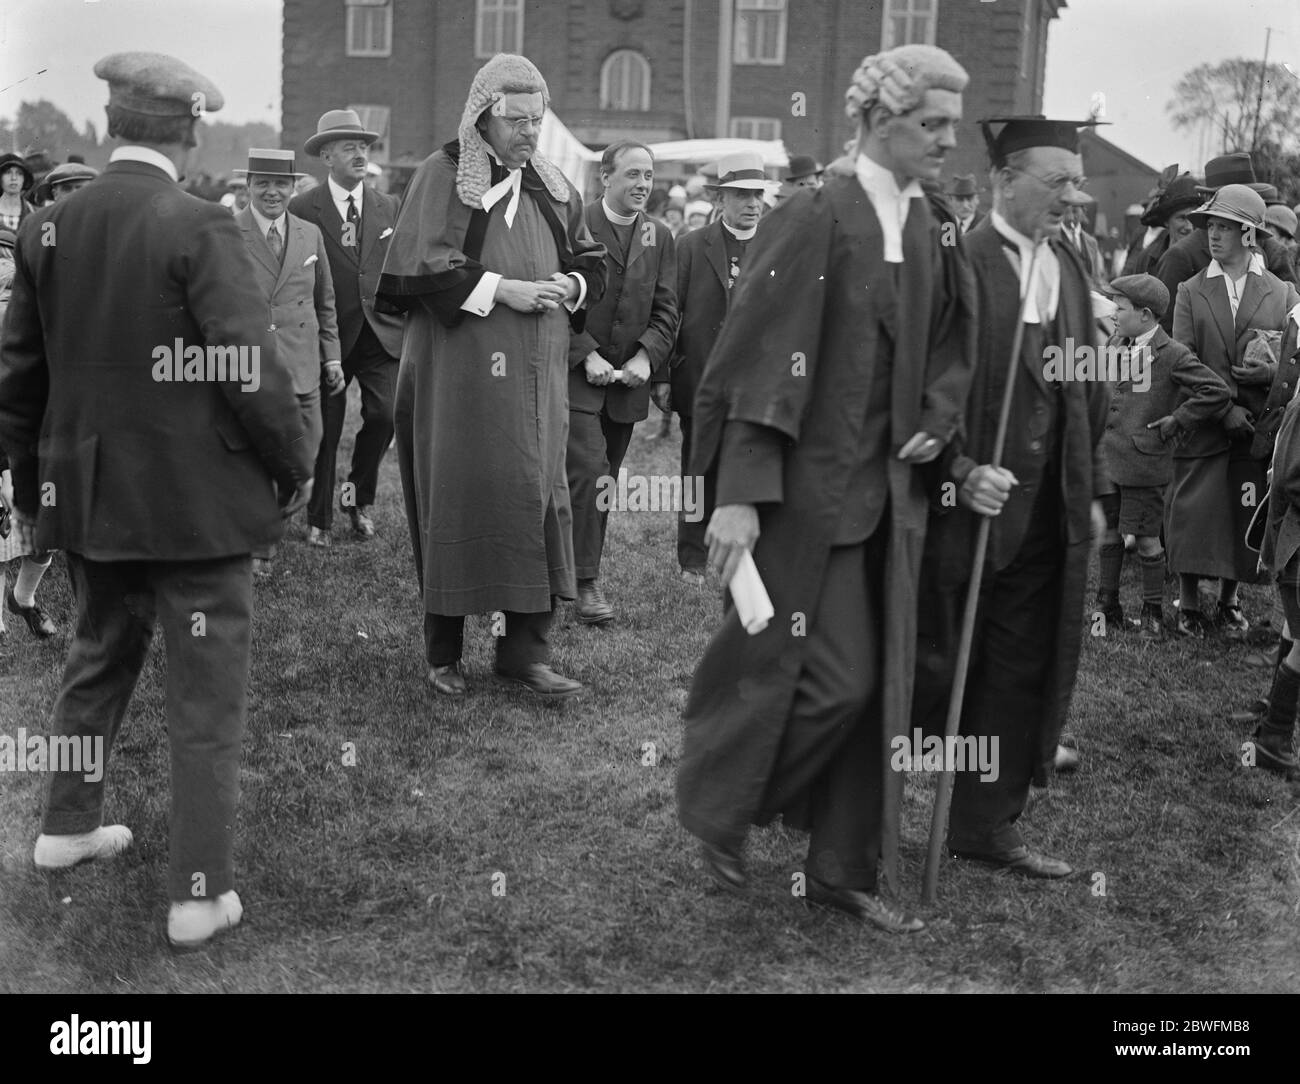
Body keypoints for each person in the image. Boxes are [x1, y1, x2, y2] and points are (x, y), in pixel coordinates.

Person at [0, 51, 314, 949]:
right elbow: (249, 368)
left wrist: (32, 497)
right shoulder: (202, 224)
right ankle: (198, 894)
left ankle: (64, 828)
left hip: (89, 500)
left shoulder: (49, 226)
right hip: (194, 509)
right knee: (205, 700)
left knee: (97, 661)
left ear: (109, 126)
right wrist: (291, 464)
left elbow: (18, 380)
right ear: (191, 131)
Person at [676, 44, 973, 932]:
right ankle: (722, 801)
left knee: (881, 687)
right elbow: (759, 358)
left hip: (898, 498)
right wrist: (738, 492)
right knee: (830, 679)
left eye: (953, 124)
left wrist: (940, 412)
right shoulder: (815, 213)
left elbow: (956, 345)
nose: (950, 141)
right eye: (935, 124)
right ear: (882, 121)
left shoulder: (930, 225)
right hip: (812, 501)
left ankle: (845, 866)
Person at [912, 116, 1112, 879]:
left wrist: (1088, 485)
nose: (1074, 197)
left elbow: (1083, 387)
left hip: (1045, 516)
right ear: (1004, 179)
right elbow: (922, 391)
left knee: (1018, 668)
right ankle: (832, 804)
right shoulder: (962, 262)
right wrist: (960, 468)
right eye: (1057, 182)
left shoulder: (1066, 265)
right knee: (930, 664)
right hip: (963, 514)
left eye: (1077, 182)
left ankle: (984, 824)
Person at [376, 52, 605, 699]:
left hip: (539, 386)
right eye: (516, 121)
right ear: (483, 118)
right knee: (461, 493)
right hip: (463, 380)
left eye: (538, 119)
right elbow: (419, 269)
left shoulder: (553, 184)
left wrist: (573, 282)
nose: (530, 132)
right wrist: (505, 290)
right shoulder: (443, 174)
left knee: (534, 497)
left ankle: (524, 654)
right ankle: (444, 651)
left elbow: (592, 259)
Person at [1167, 184, 1300, 638]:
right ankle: (1187, 603)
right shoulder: (1190, 290)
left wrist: (1266, 376)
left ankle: (1228, 600)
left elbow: (1292, 357)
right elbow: (1181, 358)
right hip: (1205, 424)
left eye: (1224, 227)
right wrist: (1222, 409)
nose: (1213, 236)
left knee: (1240, 512)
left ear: (1249, 235)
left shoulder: (1281, 293)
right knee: (1195, 511)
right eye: (1211, 227)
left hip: (1255, 430)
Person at [565, 140, 678, 625]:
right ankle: (584, 584)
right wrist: (584, 352)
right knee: (588, 471)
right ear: (605, 178)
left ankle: (569, 572)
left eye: (648, 176)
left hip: (627, 387)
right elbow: (558, 297)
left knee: (602, 480)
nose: (642, 185)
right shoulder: (575, 223)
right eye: (632, 175)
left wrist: (647, 359)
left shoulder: (660, 236)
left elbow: (668, 310)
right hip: (574, 379)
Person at [290, 109, 405, 546]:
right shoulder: (303, 207)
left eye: (363, 147)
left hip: (378, 334)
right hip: (327, 336)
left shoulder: (388, 205)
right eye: (348, 147)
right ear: (326, 156)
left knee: (385, 414)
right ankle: (318, 518)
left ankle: (355, 499)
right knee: (326, 428)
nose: (360, 154)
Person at [1093, 274, 1230, 637]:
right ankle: (1107, 607)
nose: (1114, 315)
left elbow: (1215, 391)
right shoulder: (1114, 343)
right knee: (1109, 533)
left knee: (1147, 538)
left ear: (1146, 314)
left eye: (1120, 308)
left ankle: (1152, 615)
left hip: (1144, 464)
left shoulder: (1173, 355)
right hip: (1108, 460)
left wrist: (1177, 420)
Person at [232, 148, 343, 577]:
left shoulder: (310, 235)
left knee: (304, 464)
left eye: (281, 184)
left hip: (303, 367)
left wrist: (331, 358)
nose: (272, 192)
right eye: (263, 183)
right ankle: (259, 546)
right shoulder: (227, 231)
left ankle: (266, 524)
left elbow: (326, 304)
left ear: (294, 187)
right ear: (248, 186)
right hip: (251, 366)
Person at [669, 151, 769, 583]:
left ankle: (750, 553)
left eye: (757, 195)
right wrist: (663, 376)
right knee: (697, 468)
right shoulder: (692, 245)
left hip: (758, 384)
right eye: (742, 195)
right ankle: (693, 558)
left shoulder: (776, 244)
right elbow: (669, 311)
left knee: (751, 464)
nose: (751, 204)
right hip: (702, 380)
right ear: (720, 197)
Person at [1155, 153, 1298, 333]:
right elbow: (1168, 332)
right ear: (1212, 200)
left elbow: (1292, 315)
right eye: (1236, 197)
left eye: (1249, 196)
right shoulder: (1180, 256)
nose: (1245, 203)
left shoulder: (1271, 249)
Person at [1122, 172, 1199, 277]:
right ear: (1166, 221)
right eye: (1182, 218)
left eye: (1193, 218)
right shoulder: (1147, 258)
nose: (1189, 226)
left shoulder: (1210, 260)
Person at [34, 162, 100, 205]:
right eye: (66, 189)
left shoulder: (104, 219)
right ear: (55, 194)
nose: (74, 193)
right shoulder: (45, 222)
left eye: (80, 189)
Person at [0, 154, 35, 231]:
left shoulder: (35, 213)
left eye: (19, 173)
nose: (14, 178)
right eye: (8, 172)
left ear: (24, 179)